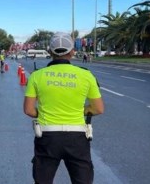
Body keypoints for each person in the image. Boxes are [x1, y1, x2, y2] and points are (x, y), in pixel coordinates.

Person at [23, 32, 104, 184]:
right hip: (77, 138)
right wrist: (80, 111)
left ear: (50, 52)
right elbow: (98, 109)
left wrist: (47, 112)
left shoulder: (37, 75)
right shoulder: (86, 75)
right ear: (72, 52)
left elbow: (28, 110)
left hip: (47, 137)